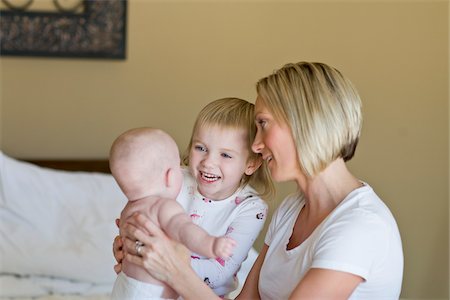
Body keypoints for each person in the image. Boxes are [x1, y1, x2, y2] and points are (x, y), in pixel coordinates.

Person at [119, 61, 404, 299]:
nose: (256, 145)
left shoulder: (360, 227)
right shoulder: (292, 209)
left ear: (304, 122)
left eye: (263, 124)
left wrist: (175, 270)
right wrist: (141, 255)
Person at [113, 98, 274, 297]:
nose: (208, 162)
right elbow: (140, 221)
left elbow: (220, 273)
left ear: (251, 164)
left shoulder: (250, 208)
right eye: (201, 148)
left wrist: (158, 262)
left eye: (225, 155)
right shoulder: (173, 179)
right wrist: (128, 248)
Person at [109, 127, 236, 299]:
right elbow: (184, 231)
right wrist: (210, 244)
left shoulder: (128, 210)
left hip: (124, 286)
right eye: (178, 167)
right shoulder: (164, 207)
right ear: (170, 176)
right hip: (152, 294)